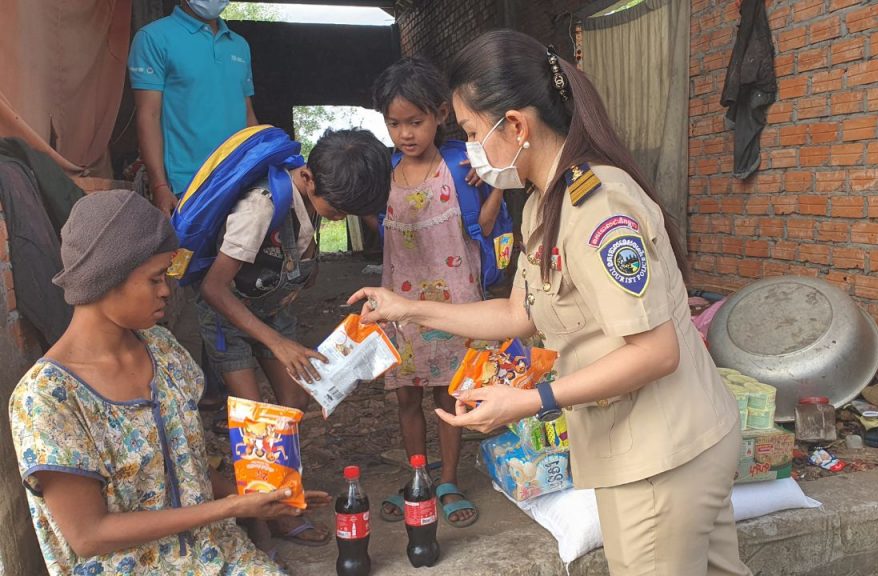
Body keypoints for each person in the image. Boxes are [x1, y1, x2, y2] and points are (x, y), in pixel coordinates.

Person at [350, 30, 751, 576]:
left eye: (473, 132)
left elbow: (656, 352)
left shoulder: (596, 205)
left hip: (663, 455)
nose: (471, 149)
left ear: (516, 126)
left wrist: (530, 401)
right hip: (658, 442)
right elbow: (518, 314)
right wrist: (407, 308)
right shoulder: (544, 202)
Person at [8, 189, 330, 575]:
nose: (166, 290)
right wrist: (230, 508)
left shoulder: (162, 349)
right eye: (155, 278)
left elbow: (187, 465)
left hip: (213, 552)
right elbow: (88, 535)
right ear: (106, 278)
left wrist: (258, 500)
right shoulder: (46, 398)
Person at [195, 128, 390, 545]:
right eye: (335, 210)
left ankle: (279, 488)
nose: (338, 218)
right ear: (308, 178)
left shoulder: (308, 193)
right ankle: (267, 514)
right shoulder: (260, 207)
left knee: (294, 402)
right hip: (228, 315)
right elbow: (213, 288)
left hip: (270, 308)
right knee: (255, 420)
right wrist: (277, 344)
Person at [369, 57, 503, 528]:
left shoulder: (463, 164)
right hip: (400, 303)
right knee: (407, 397)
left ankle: (448, 479)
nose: (405, 134)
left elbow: (484, 226)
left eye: (415, 121)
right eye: (394, 123)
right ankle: (418, 476)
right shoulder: (382, 172)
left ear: (441, 114)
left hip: (455, 302)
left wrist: (494, 183)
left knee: (450, 395)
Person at [129, 0, 258, 216]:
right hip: (187, 186)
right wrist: (159, 185)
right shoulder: (153, 37)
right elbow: (148, 115)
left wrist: (262, 162)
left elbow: (247, 113)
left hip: (241, 181)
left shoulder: (239, 45)